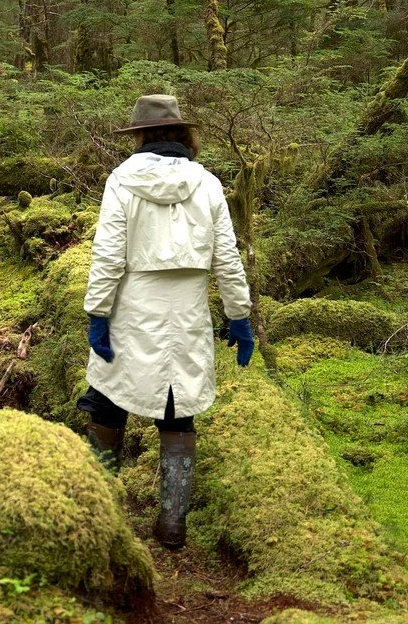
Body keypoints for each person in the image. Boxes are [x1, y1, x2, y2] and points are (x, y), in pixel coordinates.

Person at [79, 93, 254, 550]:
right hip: (188, 316)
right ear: (182, 134)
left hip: (131, 308)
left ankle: (102, 511)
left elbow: (108, 254)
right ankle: (172, 523)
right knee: (178, 411)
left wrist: (98, 312)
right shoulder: (209, 183)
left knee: (107, 401)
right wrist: (239, 315)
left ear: (139, 134)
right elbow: (228, 260)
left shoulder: (121, 180)